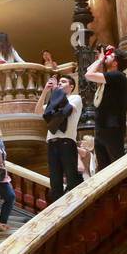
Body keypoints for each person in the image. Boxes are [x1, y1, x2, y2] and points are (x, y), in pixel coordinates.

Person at [84, 44, 127, 170]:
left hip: (112, 128)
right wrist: (102, 58)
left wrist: (100, 59)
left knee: (118, 167)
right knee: (104, 170)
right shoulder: (108, 80)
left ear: (116, 63)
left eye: (110, 56)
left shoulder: (119, 76)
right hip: (101, 129)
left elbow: (88, 74)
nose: (106, 57)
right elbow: (90, 69)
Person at [38, 72, 82, 200]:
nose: (60, 84)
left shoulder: (75, 98)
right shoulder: (52, 103)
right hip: (52, 143)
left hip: (67, 142)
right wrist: (45, 91)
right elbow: (38, 111)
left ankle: (75, 205)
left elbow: (66, 111)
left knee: (71, 177)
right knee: (55, 181)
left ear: (71, 86)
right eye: (59, 82)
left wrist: (56, 90)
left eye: (63, 82)